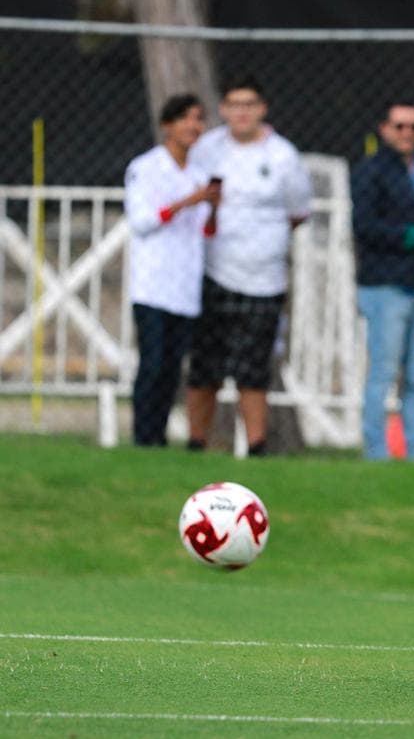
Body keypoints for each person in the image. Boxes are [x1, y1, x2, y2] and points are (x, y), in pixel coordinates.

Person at [186, 74, 311, 455]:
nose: (242, 112)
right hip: (212, 271)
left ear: (262, 109)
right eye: (234, 105)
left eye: (249, 105)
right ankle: (196, 443)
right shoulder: (206, 149)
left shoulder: (283, 156)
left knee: (254, 369)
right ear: (223, 109)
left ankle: (256, 447)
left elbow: (298, 211)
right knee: (205, 366)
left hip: (264, 278)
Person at [350, 99, 414, 461]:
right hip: (386, 284)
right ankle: (376, 452)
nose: (407, 133)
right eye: (400, 126)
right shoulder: (371, 171)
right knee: (383, 372)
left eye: (413, 127)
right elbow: (364, 227)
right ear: (385, 129)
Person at [123, 94, 219, 447]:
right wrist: (185, 202)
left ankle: (159, 436)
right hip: (152, 284)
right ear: (168, 125)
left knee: (172, 368)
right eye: (185, 119)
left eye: (198, 119)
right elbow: (142, 222)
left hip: (185, 286)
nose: (193, 126)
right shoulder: (145, 168)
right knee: (152, 363)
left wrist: (213, 207)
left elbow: (206, 231)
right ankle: (142, 437)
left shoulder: (199, 174)